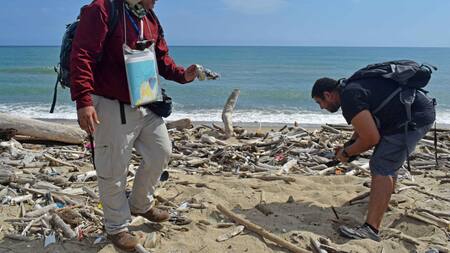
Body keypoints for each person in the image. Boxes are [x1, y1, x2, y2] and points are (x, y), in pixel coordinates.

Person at [70, 0, 198, 251]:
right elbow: (81, 54)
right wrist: (84, 100)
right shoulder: (103, 9)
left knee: (161, 151)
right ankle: (116, 228)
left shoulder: (148, 16)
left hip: (144, 101)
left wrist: (183, 75)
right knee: (113, 169)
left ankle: (140, 204)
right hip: (110, 103)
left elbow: (160, 57)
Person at [311, 76, 435, 241]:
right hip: (411, 112)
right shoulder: (351, 90)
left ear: (328, 95)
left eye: (320, 102)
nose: (321, 107)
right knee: (387, 158)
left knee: (381, 164)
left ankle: (371, 229)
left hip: (412, 117)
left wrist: (347, 154)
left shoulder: (350, 98)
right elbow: (364, 127)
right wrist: (349, 145)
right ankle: (384, 202)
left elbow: (370, 139)